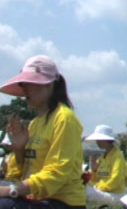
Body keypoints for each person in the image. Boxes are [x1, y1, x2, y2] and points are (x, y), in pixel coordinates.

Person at [0, 55, 86, 208]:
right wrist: (19, 150)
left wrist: (13, 190)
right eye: (23, 84)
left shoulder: (64, 118)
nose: (25, 89)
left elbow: (57, 172)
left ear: (49, 85)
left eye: (30, 83)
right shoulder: (34, 124)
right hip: (37, 199)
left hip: (62, 202)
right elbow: (17, 174)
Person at [84, 124, 127, 207]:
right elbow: (95, 180)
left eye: (99, 139)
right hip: (104, 192)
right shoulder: (102, 158)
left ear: (106, 140)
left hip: (115, 195)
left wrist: (99, 188)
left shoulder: (118, 155)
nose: (97, 141)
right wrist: (94, 170)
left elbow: (116, 179)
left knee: (85, 193)